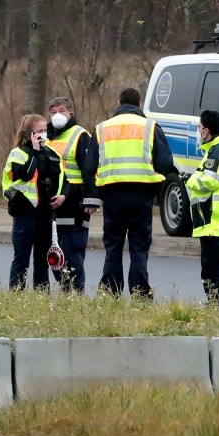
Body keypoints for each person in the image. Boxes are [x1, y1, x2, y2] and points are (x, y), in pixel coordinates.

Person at [84, 87, 174, 300]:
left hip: (112, 195)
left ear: (118, 103)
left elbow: (89, 166)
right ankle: (140, 293)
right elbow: (165, 164)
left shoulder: (101, 128)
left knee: (113, 246)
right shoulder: (150, 127)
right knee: (139, 247)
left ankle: (110, 291)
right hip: (141, 195)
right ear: (140, 104)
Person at [2, 114, 66, 292]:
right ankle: (16, 296)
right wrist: (35, 152)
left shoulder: (52, 154)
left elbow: (63, 179)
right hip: (25, 212)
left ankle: (41, 298)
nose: (43, 134)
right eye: (39, 131)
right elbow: (25, 175)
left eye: (45, 130)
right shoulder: (18, 154)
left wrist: (63, 196)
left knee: (42, 261)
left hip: (45, 214)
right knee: (21, 259)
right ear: (29, 133)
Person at [184, 109, 219, 306]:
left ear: (206, 131)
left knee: (214, 265)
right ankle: (217, 302)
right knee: (210, 264)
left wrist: (188, 180)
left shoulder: (218, 151)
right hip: (212, 219)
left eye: (199, 127)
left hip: (215, 218)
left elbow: (210, 181)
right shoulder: (214, 150)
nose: (197, 131)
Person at [45, 97, 99, 293]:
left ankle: (76, 293)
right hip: (52, 204)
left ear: (70, 113)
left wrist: (92, 199)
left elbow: (89, 169)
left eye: (61, 110)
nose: (57, 115)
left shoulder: (80, 135)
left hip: (75, 203)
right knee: (54, 254)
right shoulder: (47, 137)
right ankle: (65, 289)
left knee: (73, 252)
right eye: (53, 111)